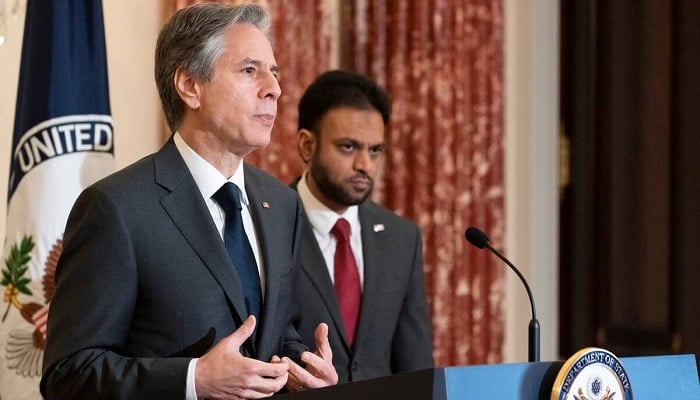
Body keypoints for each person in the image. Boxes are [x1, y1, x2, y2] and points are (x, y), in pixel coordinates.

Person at [40, 4, 337, 399]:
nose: (275, 88)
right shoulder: (117, 210)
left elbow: (279, 336)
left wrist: (301, 366)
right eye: (250, 71)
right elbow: (68, 374)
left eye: (274, 72)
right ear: (190, 86)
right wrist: (193, 379)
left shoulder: (282, 205)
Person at [291, 70, 434, 383]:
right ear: (306, 145)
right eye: (348, 147)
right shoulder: (268, 224)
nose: (364, 166)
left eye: (375, 150)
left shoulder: (402, 238)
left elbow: (416, 365)